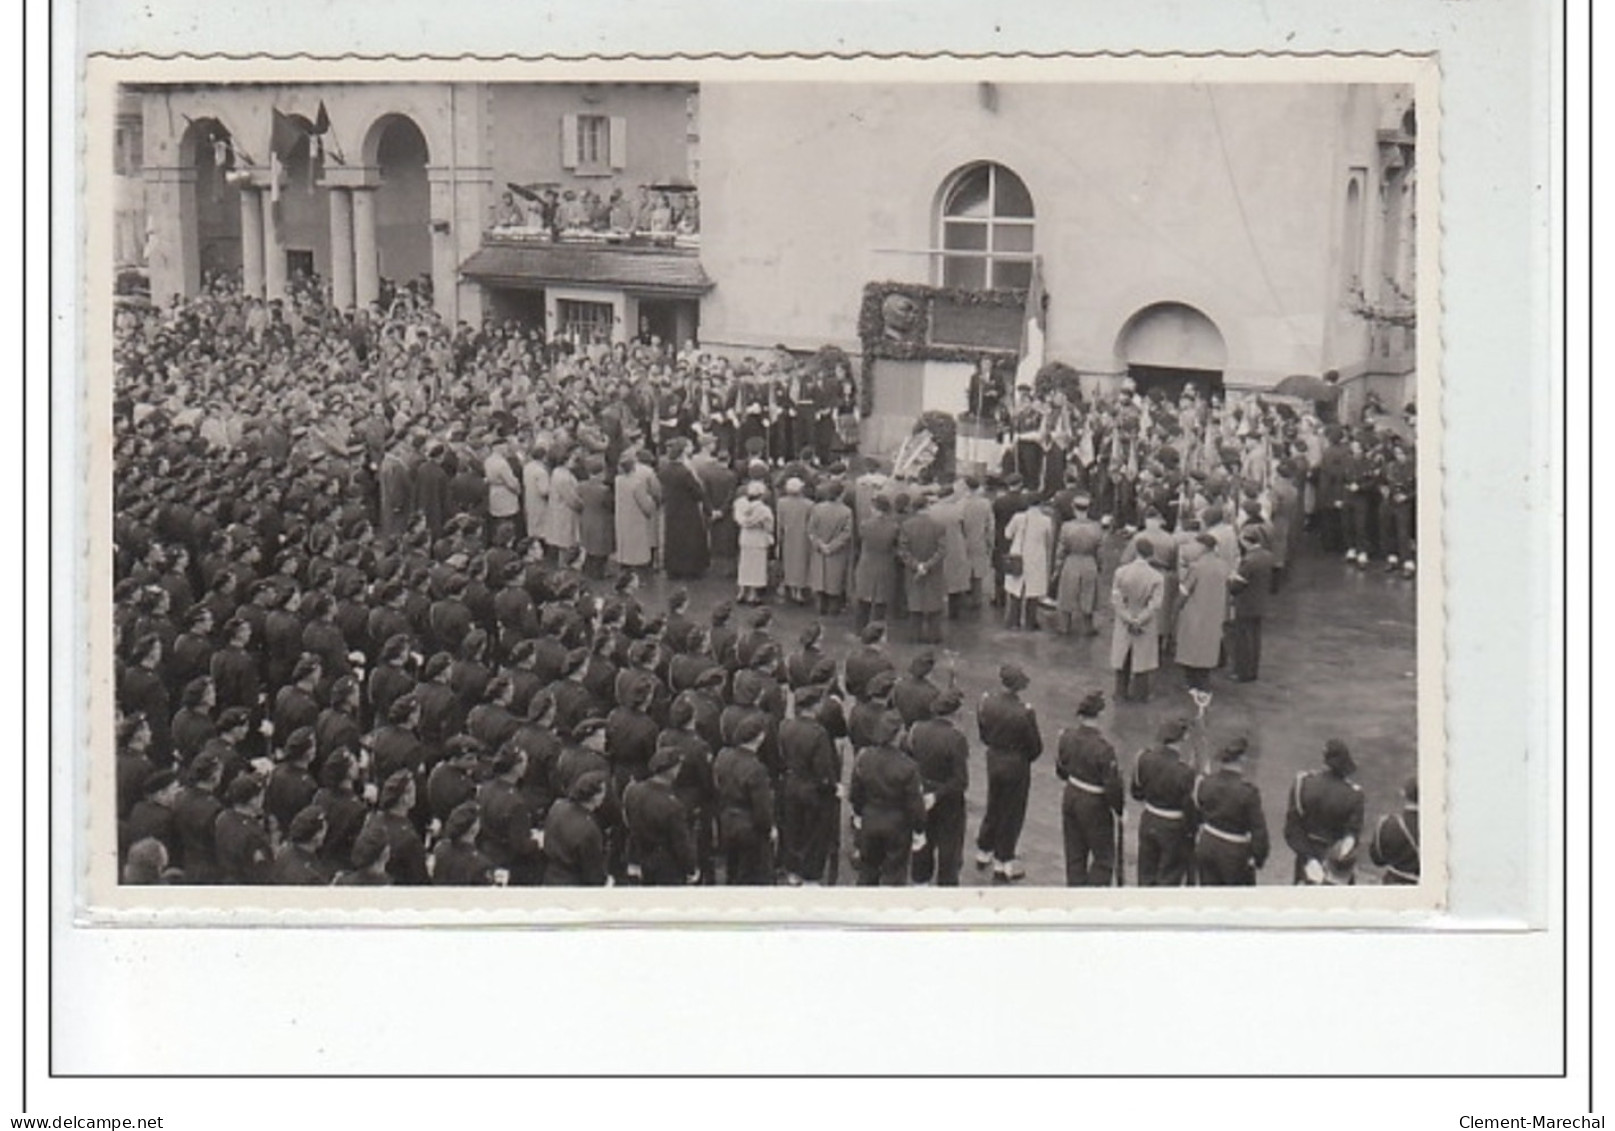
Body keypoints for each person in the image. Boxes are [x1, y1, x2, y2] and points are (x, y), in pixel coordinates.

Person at [973, 664, 1043, 884]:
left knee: (993, 804)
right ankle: (1003, 861)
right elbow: (1035, 747)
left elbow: (983, 732)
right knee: (1011, 812)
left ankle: (983, 850)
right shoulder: (1025, 711)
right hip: (1016, 763)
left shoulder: (986, 702)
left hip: (993, 758)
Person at [848, 707, 926, 887]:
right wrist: (919, 828)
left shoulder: (865, 757)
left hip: (870, 818)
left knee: (868, 871)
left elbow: (856, 792)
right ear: (898, 734)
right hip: (897, 825)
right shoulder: (908, 767)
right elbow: (915, 804)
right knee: (895, 875)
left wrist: (860, 813)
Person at [1054, 690, 1124, 887]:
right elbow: (1112, 785)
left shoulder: (1066, 737)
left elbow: (1061, 771)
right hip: (1094, 804)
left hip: (1071, 795)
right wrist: (1118, 809)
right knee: (1103, 858)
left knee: (1075, 854)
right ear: (1100, 716)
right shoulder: (1104, 748)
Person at [776, 683, 841, 886]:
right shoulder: (818, 733)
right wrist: (832, 786)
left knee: (793, 829)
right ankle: (810, 875)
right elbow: (823, 769)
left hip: (790, 783)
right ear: (814, 706)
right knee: (814, 834)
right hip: (812, 789)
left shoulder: (785, 725)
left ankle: (792, 871)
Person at [908, 687, 969, 887]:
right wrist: (938, 794)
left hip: (921, 795)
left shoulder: (917, 729)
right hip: (948, 803)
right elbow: (961, 781)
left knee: (923, 843)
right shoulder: (956, 739)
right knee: (949, 851)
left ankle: (920, 883)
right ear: (956, 713)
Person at [1284, 739, 1366, 885]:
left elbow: (1292, 829)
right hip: (1337, 864)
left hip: (1305, 857)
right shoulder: (1354, 795)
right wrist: (1337, 864)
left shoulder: (1303, 783)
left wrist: (1309, 859)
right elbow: (1351, 837)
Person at [1191, 737, 1270, 886]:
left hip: (1207, 845)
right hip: (1234, 852)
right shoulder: (1248, 792)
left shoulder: (1206, 783)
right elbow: (1259, 831)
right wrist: (1258, 857)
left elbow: (1197, 812)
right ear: (1242, 760)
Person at [1129, 718, 1198, 886]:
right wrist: (1191, 830)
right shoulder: (1184, 771)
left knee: (1145, 875)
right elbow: (1190, 806)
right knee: (1169, 877)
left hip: (1148, 819)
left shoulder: (1143, 758)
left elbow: (1136, 792)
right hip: (1173, 827)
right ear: (1181, 740)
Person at [711, 711, 774, 884]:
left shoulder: (723, 755)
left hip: (727, 820)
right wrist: (769, 829)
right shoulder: (756, 768)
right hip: (749, 827)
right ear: (760, 737)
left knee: (732, 870)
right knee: (752, 876)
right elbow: (762, 808)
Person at [622, 744, 699, 886]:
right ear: (672, 770)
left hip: (639, 855)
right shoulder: (672, 805)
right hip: (666, 864)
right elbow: (681, 843)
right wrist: (691, 868)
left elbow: (627, 820)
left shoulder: (633, 791)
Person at [1110, 536, 1165, 702]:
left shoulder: (1121, 572)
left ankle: (1120, 692)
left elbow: (1116, 599)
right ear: (1151, 554)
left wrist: (1127, 618)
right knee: (1142, 658)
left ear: (1136, 551)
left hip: (1124, 619)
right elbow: (1155, 604)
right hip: (1145, 621)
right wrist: (1140, 619)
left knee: (1122, 657)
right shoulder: (1156, 577)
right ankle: (1140, 694)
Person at [1175, 532, 1231, 691]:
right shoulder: (1223, 565)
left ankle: (1191, 681)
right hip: (1215, 612)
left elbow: (1184, 592)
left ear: (1203, 547)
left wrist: (1176, 608)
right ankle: (1203, 680)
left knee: (1191, 648)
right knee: (1208, 647)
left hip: (1195, 612)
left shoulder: (1196, 567)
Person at [543, 770, 610, 886]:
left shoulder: (558, 806)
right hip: (574, 883)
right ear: (595, 796)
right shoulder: (590, 829)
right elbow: (592, 872)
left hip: (550, 876)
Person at [1226, 527, 1276, 682]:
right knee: (1255, 639)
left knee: (1243, 640)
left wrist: (1231, 578)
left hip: (1246, 604)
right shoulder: (1268, 556)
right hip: (1260, 603)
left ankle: (1242, 672)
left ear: (1246, 541)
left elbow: (1235, 587)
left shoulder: (1249, 561)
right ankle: (1253, 671)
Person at [658, 439, 711, 581]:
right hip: (688, 510)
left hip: (672, 509)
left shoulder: (665, 470)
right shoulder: (685, 472)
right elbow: (698, 491)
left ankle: (673, 569)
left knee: (673, 538)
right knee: (690, 540)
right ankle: (690, 569)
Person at [1051, 494, 1104, 636]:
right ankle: (1088, 626)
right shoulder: (1096, 527)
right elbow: (1100, 550)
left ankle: (1064, 626)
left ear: (1074, 508)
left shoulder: (1067, 527)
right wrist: (1099, 565)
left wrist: (1057, 568)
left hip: (1072, 561)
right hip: (1089, 561)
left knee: (1067, 594)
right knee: (1089, 594)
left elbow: (1061, 550)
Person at [1001, 496, 1054, 631]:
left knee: (1015, 589)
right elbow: (1049, 540)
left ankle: (1013, 621)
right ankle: (1031, 622)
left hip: (1018, 555)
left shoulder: (1018, 517)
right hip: (1037, 557)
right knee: (1033, 591)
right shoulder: (1046, 520)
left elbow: (1007, 534)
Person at [806, 479, 854, 616]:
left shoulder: (817, 508)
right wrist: (832, 546)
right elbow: (847, 533)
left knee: (820, 581)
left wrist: (819, 544)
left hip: (819, 551)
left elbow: (810, 529)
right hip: (836, 553)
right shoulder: (846, 511)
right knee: (835, 583)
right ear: (841, 494)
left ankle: (820, 609)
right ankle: (833, 612)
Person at [851, 493, 899, 629]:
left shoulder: (865, 525)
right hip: (885, 565)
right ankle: (878, 632)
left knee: (863, 601)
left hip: (866, 564)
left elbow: (860, 541)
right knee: (880, 602)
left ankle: (859, 631)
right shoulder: (893, 527)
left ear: (875, 508)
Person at [1369, 776, 1421, 885]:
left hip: (1393, 884)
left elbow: (1377, 860)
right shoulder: (1438, 827)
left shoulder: (1387, 824)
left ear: (1404, 793)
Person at [734, 481, 775, 607]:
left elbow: (740, 521)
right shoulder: (764, 510)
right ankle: (752, 595)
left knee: (744, 565)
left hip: (745, 538)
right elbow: (769, 526)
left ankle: (741, 592)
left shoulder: (740, 505)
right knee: (756, 567)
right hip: (758, 539)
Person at [775, 477, 813, 605]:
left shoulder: (781, 503)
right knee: (801, 562)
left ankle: (789, 586)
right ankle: (799, 590)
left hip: (788, 536)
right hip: (803, 537)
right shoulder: (809, 504)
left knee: (788, 561)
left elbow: (779, 522)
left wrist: (778, 537)